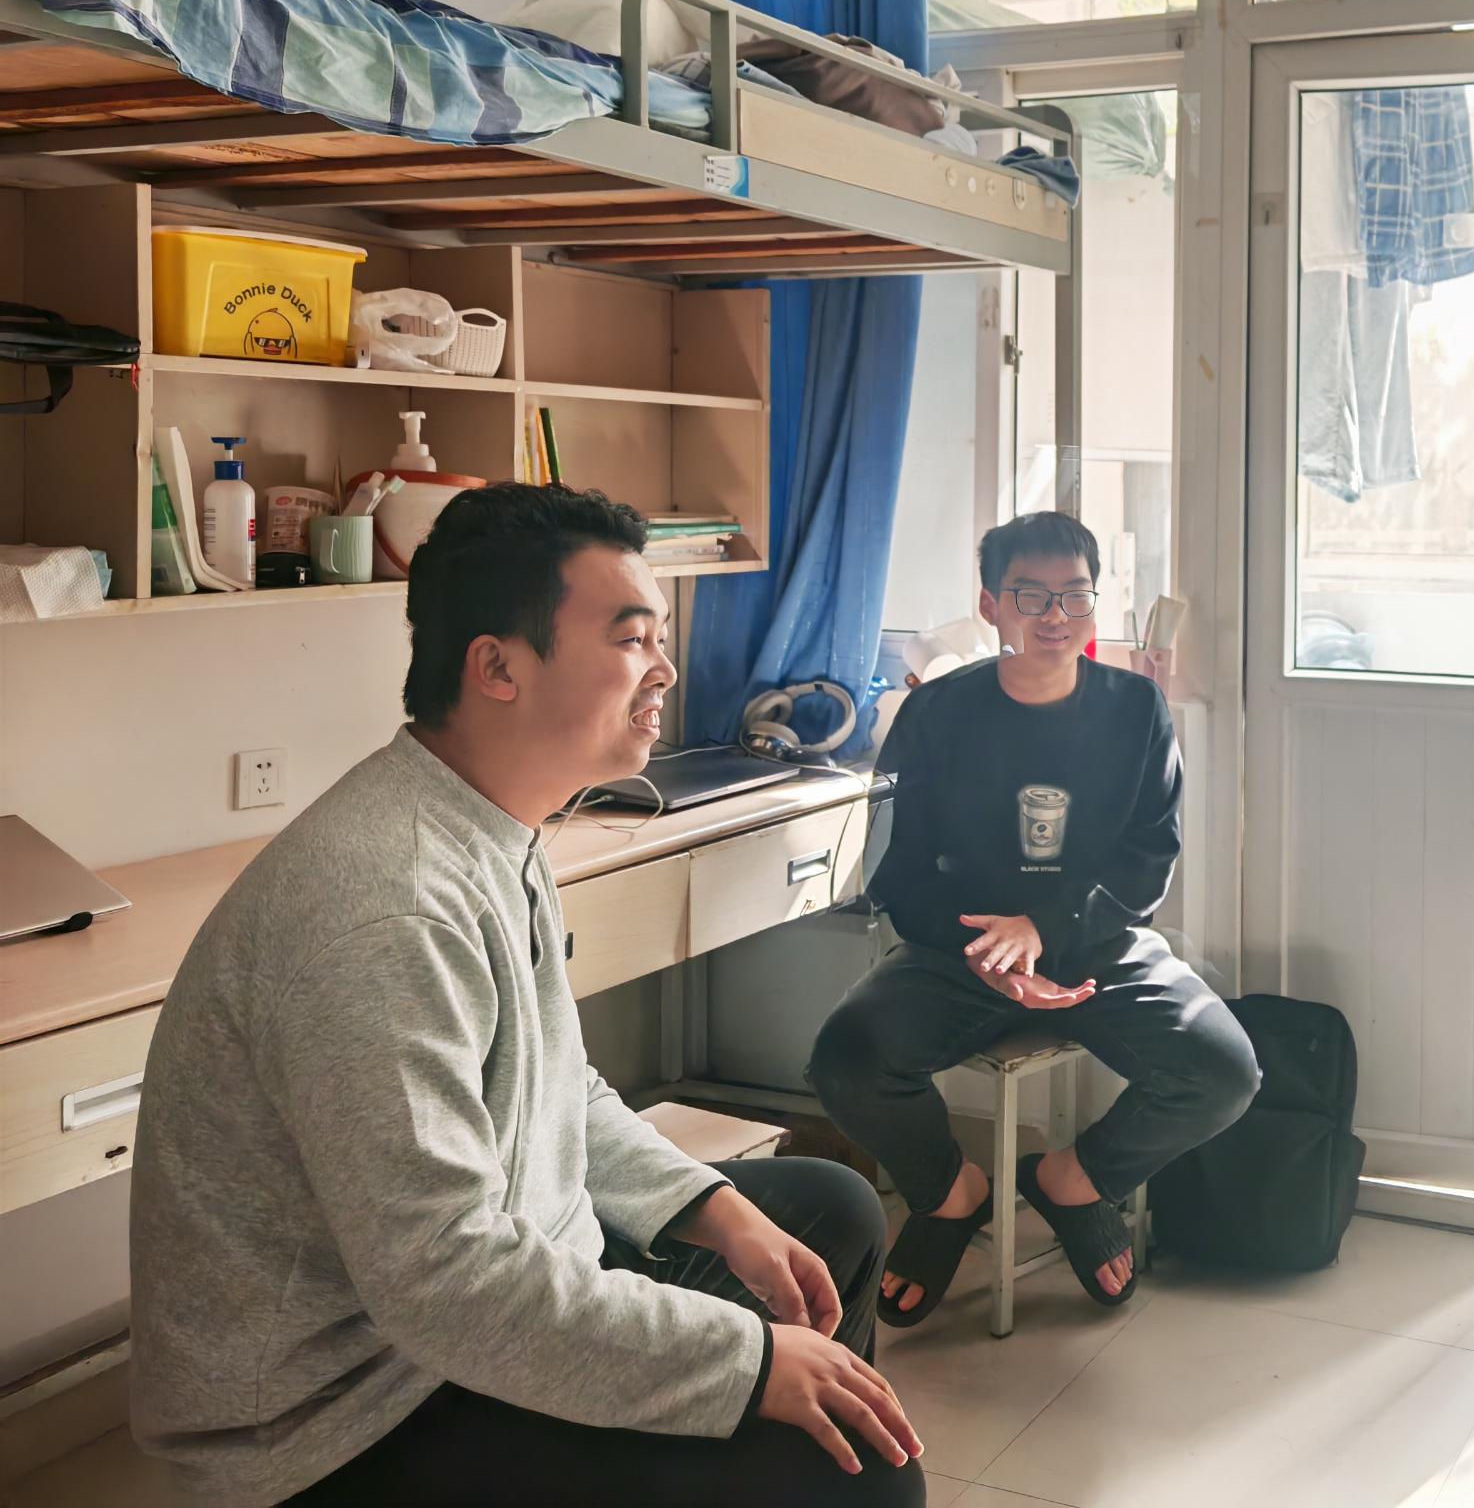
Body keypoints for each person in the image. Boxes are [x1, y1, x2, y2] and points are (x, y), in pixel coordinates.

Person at [129, 485, 925, 1508]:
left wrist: (712, 1207)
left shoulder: (493, 826)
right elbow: (445, 1281)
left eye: (662, 638)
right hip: (350, 1415)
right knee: (857, 1470)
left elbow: (560, 1090)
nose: (664, 670)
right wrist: (749, 1365)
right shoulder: (388, 908)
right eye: (631, 639)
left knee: (826, 1214)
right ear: (498, 667)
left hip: (476, 1304)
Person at [808, 511, 1259, 1326]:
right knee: (845, 1060)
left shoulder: (1134, 709)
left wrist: (1043, 932)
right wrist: (990, 952)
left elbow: (1147, 859)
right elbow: (895, 865)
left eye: (1075, 595)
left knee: (1224, 1070)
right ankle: (951, 1195)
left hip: (1099, 942)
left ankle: (1072, 1182)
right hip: (961, 951)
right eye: (1031, 595)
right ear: (990, 605)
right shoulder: (937, 714)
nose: (1056, 615)